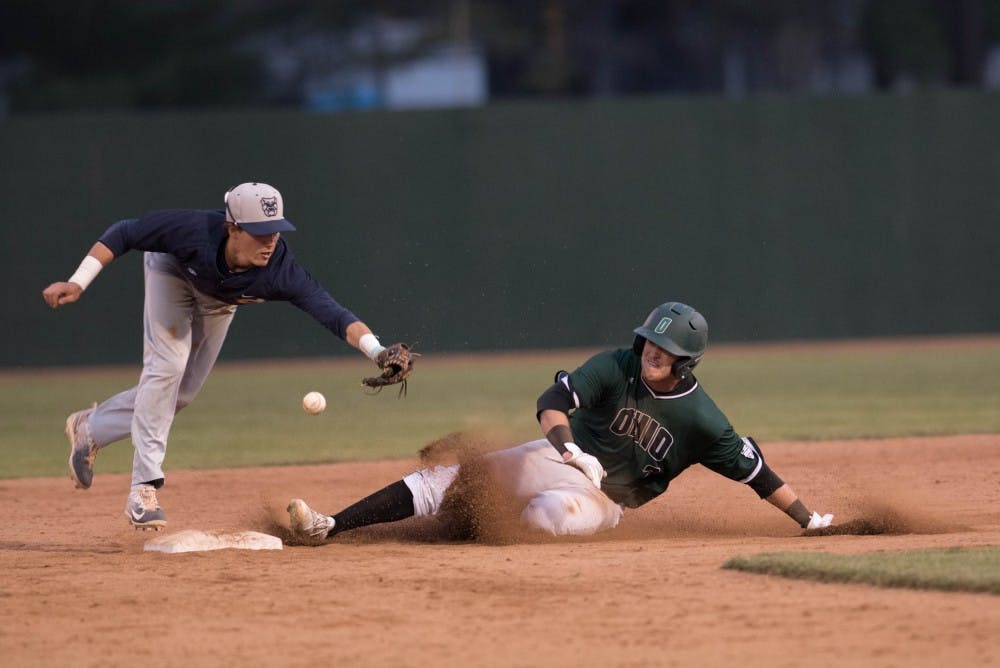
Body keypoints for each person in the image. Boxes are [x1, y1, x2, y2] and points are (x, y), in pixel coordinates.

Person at [286, 301, 834, 544]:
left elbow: (755, 472)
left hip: (605, 502)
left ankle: (467, 531)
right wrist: (570, 448)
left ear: (685, 362)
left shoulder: (702, 419)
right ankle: (329, 525)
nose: (651, 356)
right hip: (562, 455)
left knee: (547, 516)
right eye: (650, 344)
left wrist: (809, 521)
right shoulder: (616, 363)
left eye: (664, 352)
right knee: (454, 477)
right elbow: (552, 400)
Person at [43, 182, 408, 530]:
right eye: (260, 232)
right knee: (167, 365)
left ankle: (90, 428)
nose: (270, 242)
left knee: (181, 395)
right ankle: (144, 488)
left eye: (276, 231)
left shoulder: (280, 270)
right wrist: (78, 281)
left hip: (219, 301)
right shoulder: (191, 230)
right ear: (232, 227)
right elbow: (124, 232)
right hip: (172, 271)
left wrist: (376, 351)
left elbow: (333, 313)